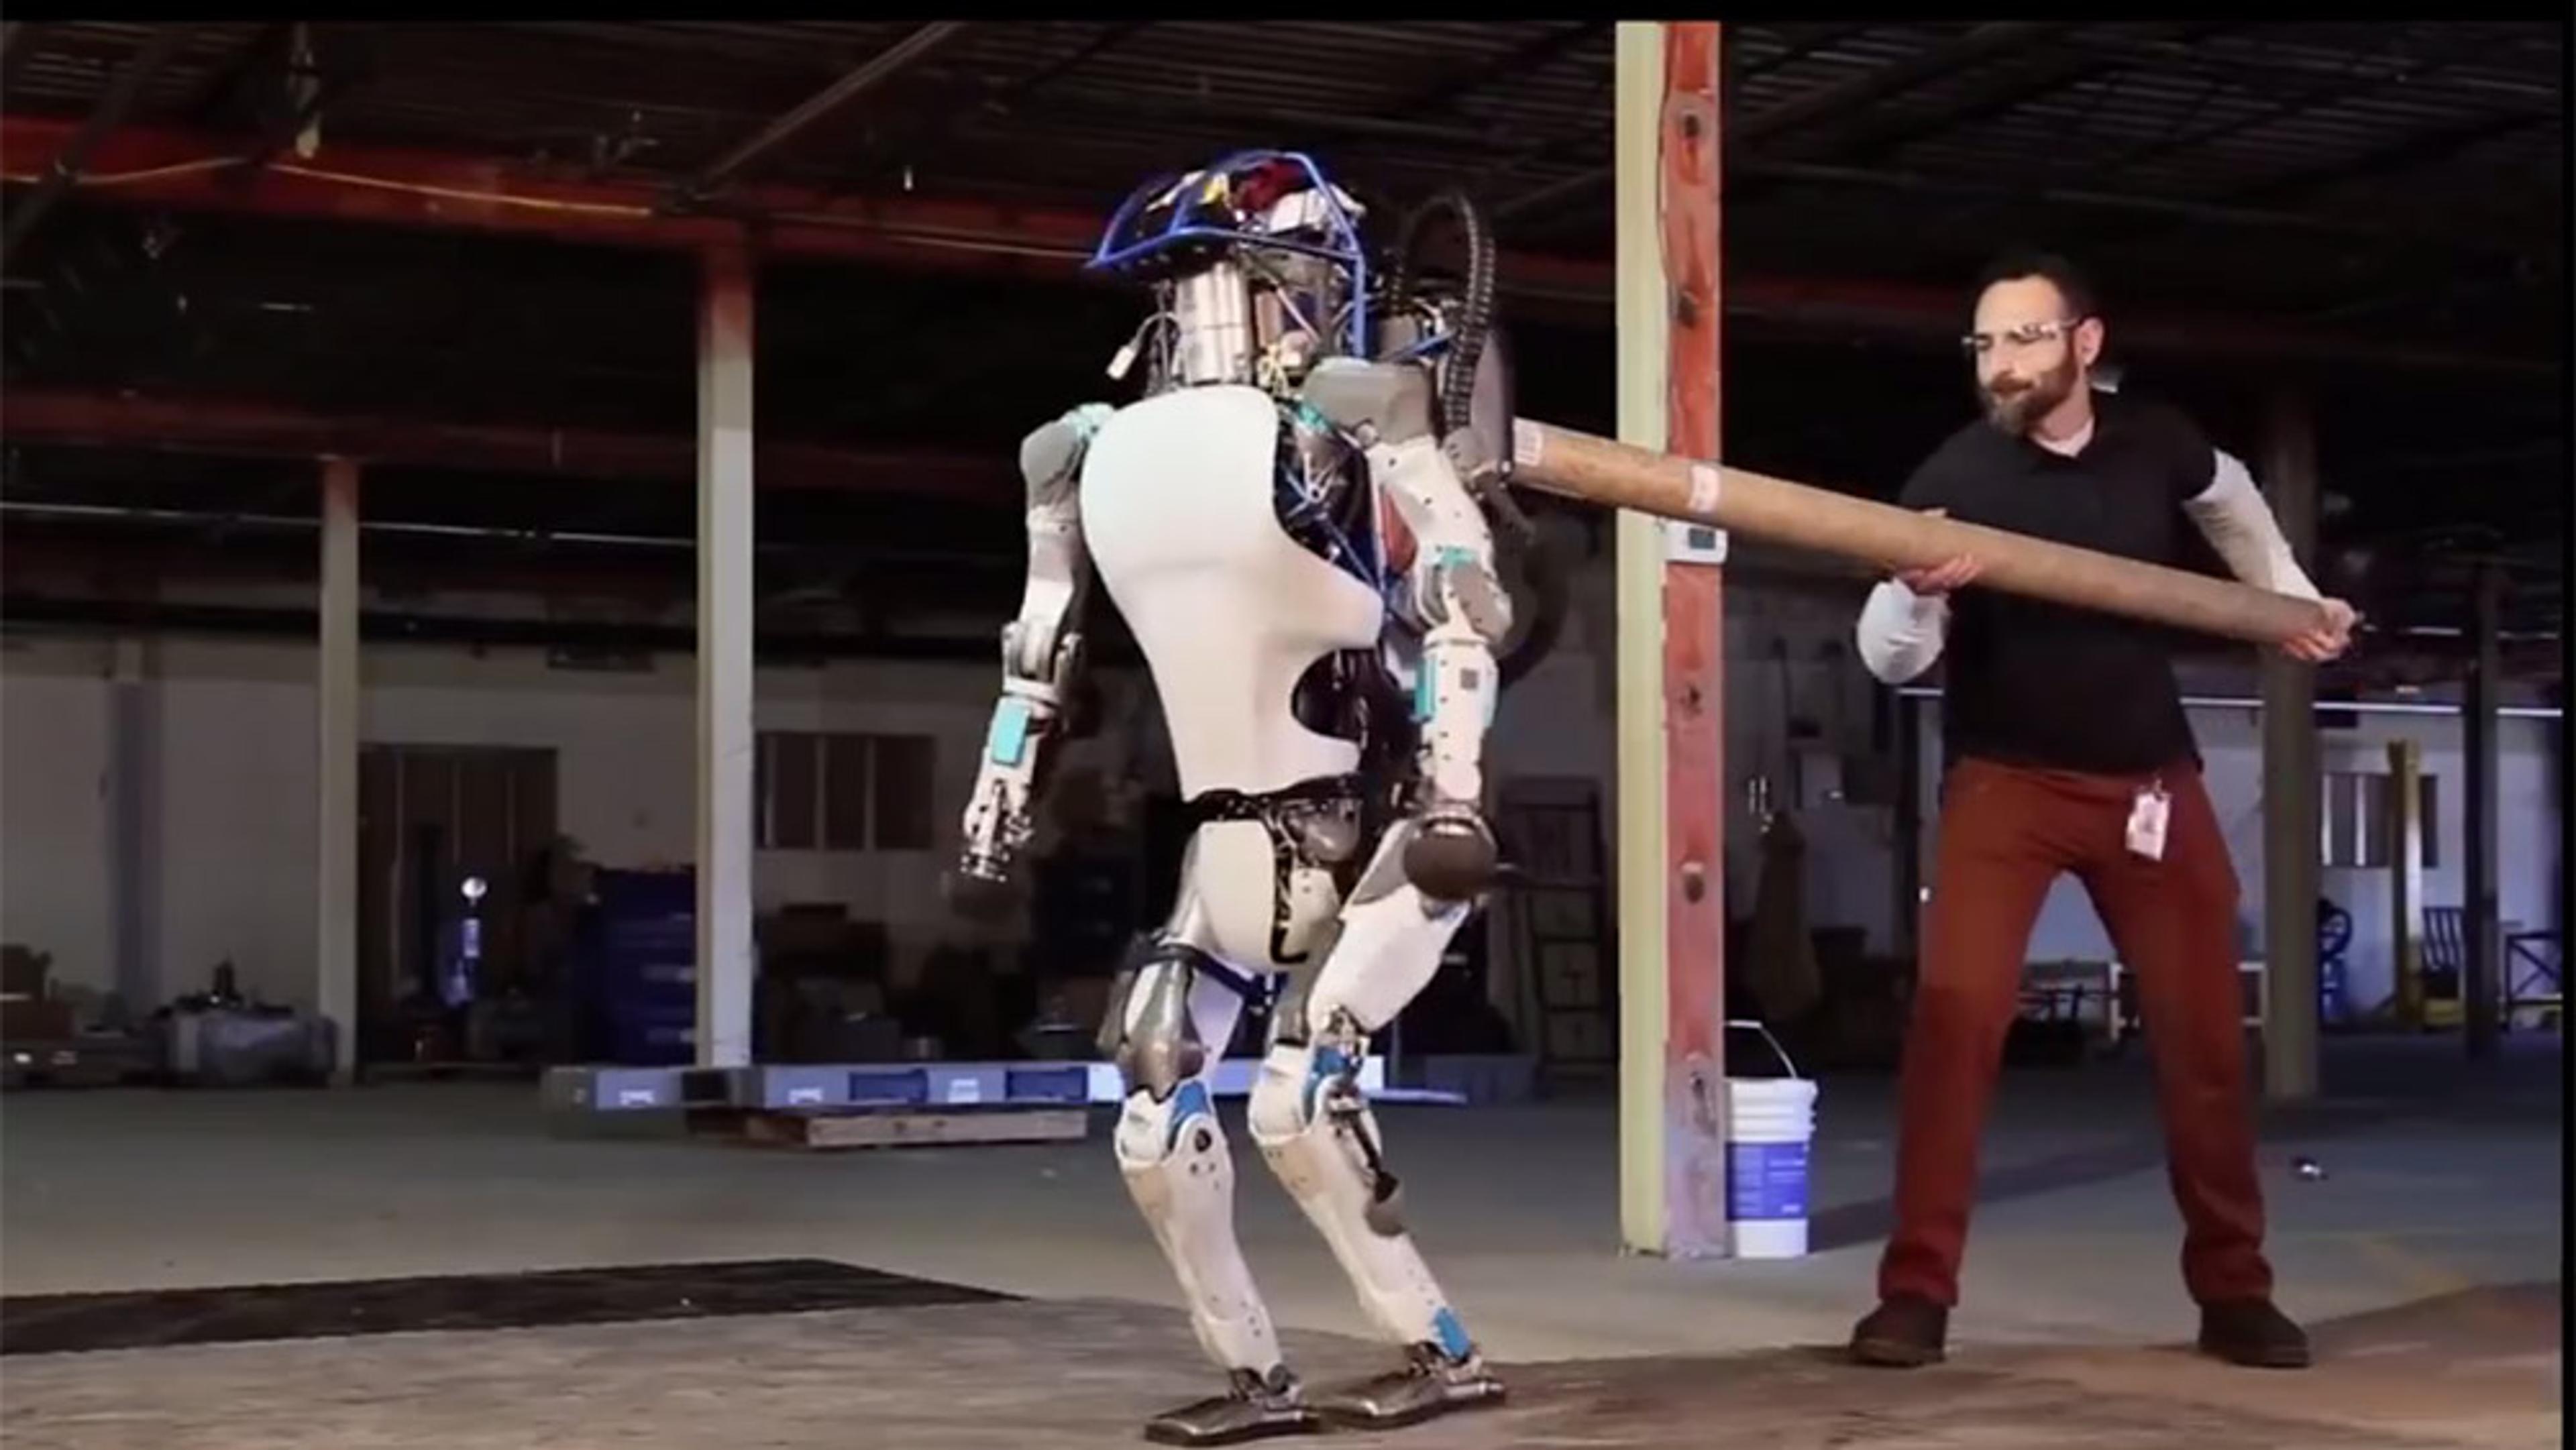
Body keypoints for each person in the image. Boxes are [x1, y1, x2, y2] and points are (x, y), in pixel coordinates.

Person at [1847, 249, 2356, 1372]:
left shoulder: (2154, 442)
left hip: (2150, 784)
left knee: (2207, 1044)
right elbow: (1889, 662)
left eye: (2025, 338)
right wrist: (1910, 589)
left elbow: (2225, 495)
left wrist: (2285, 598)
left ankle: (2235, 1292)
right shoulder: (1958, 474)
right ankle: (1916, 1297)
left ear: (2085, 344)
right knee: (1954, 1025)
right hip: (2007, 782)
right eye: (1984, 343)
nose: (2001, 363)